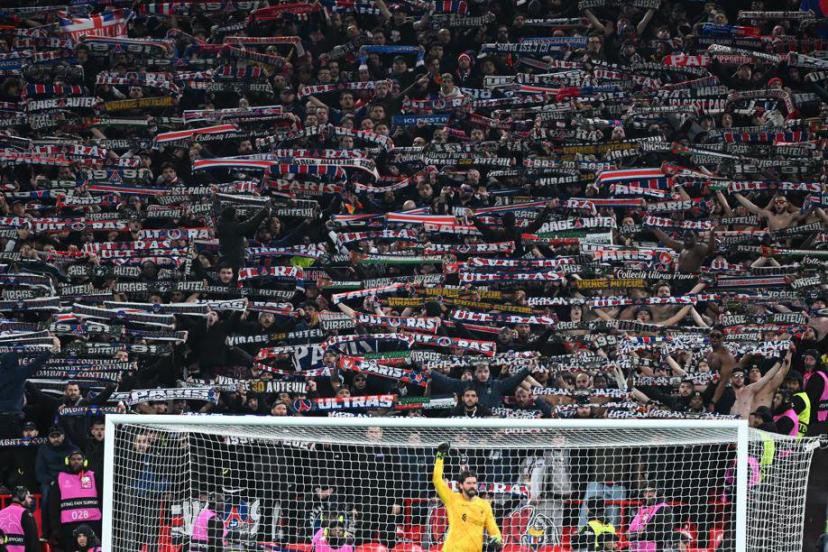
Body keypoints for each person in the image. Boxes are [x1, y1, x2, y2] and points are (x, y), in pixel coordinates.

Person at [432, 442, 502, 552]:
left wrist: (497, 539)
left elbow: (494, 531)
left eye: (474, 483)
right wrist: (440, 456)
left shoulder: (484, 505)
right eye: (469, 483)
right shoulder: (452, 499)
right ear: (460, 485)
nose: (472, 486)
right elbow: (437, 480)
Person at [48, 450, 102, 552]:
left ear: (84, 461)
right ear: (68, 461)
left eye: (79, 459)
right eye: (73, 459)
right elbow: (53, 505)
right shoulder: (60, 477)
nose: (76, 461)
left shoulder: (93, 476)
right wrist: (55, 527)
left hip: (93, 523)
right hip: (69, 526)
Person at [626, 484, 675, 552]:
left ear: (657, 492)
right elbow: (631, 530)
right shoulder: (641, 508)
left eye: (651, 491)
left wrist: (643, 534)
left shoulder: (664, 508)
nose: (648, 494)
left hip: (654, 548)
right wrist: (630, 533)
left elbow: (665, 533)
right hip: (635, 547)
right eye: (645, 492)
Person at [0, 487, 39, 552]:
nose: (31, 500)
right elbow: (32, 541)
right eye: (28, 497)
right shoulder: (26, 514)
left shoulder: (0, 512)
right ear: (22, 497)